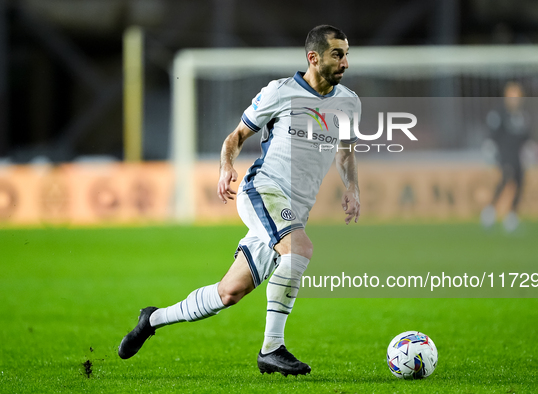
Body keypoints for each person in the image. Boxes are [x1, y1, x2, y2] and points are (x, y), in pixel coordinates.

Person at [118, 25, 361, 377]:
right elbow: (236, 136)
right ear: (314, 57)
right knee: (299, 250)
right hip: (263, 191)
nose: (345, 62)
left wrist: (352, 188)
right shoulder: (281, 92)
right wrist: (226, 166)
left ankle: (151, 319)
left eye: (346, 54)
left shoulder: (348, 102)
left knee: (228, 292)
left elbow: (346, 151)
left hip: (294, 210)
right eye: (338, 54)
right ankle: (271, 349)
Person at [480, 81, 531, 232]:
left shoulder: (522, 116)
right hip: (504, 153)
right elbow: (492, 135)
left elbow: (527, 138)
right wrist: (489, 150)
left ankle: (512, 215)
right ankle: (490, 211)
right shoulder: (499, 114)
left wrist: (531, 151)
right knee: (507, 177)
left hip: (517, 155)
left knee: (520, 182)